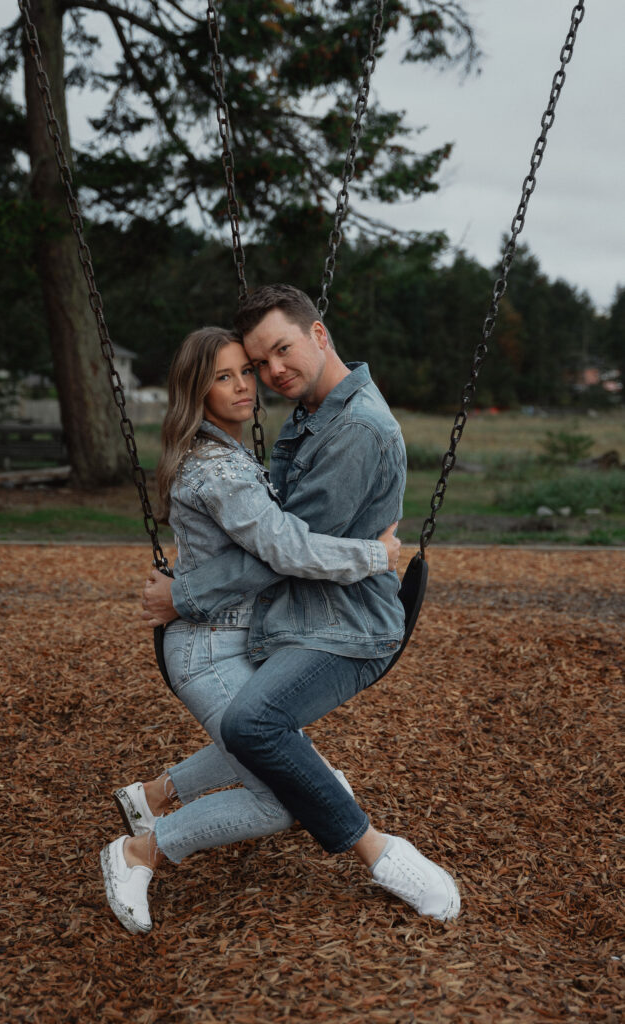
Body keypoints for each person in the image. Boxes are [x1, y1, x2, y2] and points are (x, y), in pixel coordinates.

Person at [137, 285, 460, 927]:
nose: (270, 372)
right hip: (305, 611)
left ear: (319, 334)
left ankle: (382, 854)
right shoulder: (314, 412)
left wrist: (184, 595)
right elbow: (275, 536)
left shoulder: (354, 430)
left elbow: (285, 550)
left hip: (345, 624)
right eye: (259, 363)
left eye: (280, 351)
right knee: (275, 748)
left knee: (256, 729)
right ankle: (150, 797)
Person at [100, 325, 403, 935]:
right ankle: (139, 851)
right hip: (208, 647)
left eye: (247, 370)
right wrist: (375, 555)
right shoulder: (220, 469)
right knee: (283, 799)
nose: (245, 385)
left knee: (272, 739)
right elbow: (285, 549)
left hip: (234, 634)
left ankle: (151, 796)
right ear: (198, 390)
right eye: (224, 377)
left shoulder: (228, 451)